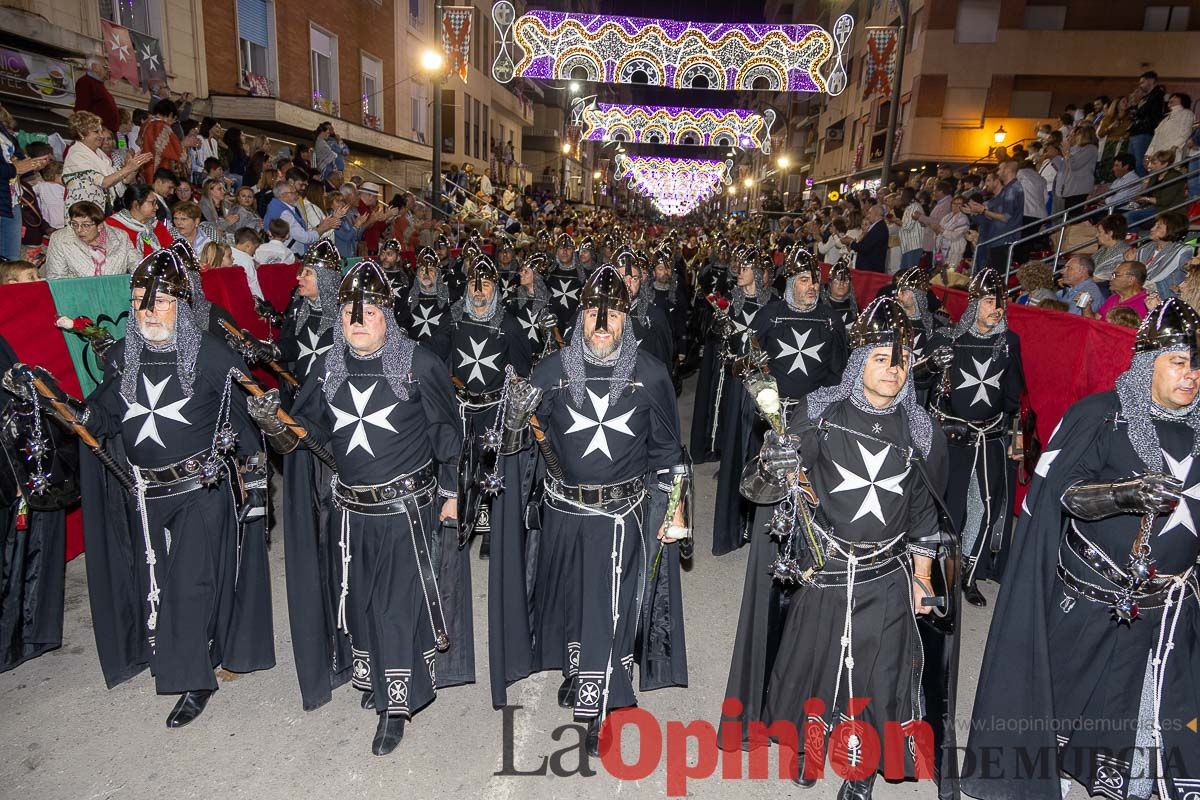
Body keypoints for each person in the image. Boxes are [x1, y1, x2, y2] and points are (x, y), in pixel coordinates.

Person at [966, 297, 1200, 800]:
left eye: (1198, 365)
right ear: (1146, 363)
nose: (1191, 375)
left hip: (1170, 604)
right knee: (1065, 701)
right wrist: (1123, 493)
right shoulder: (1101, 415)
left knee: (1142, 710)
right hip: (1091, 594)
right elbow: (1064, 492)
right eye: (1179, 362)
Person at [728, 296, 947, 797]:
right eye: (880, 358)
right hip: (825, 564)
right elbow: (757, 490)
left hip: (886, 572)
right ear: (857, 362)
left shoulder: (920, 430)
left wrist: (924, 577)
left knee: (875, 676)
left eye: (903, 360)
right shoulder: (821, 412)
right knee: (814, 662)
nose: (894, 370)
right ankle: (809, 748)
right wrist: (771, 464)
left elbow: (924, 512)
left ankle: (861, 772)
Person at [251, 259, 469, 755]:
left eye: (368, 311)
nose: (356, 320)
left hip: (405, 514)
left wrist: (453, 496)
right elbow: (306, 434)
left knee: (395, 609)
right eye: (349, 311)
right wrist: (274, 424)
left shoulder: (419, 363)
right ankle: (373, 679)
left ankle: (397, 705)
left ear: (386, 316)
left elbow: (448, 436)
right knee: (363, 604)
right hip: (349, 513)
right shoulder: (329, 364)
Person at [53, 249, 273, 726]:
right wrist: (79, 414)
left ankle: (193, 679)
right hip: (146, 491)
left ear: (183, 303)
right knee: (157, 581)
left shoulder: (213, 356)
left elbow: (248, 427)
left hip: (201, 487)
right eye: (139, 303)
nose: (148, 313)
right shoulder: (126, 353)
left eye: (159, 303)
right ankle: (180, 651)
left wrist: (254, 492)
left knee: (190, 583)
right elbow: (107, 409)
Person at [496, 264, 689, 756]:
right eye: (594, 316)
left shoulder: (649, 373)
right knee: (570, 600)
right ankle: (577, 670)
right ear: (581, 317)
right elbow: (518, 439)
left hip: (620, 516)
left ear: (626, 319)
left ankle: (595, 703)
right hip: (563, 512)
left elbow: (669, 452)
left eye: (614, 316)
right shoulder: (554, 369)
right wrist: (515, 413)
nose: (603, 325)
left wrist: (676, 512)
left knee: (608, 608)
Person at [927, 269, 1026, 606]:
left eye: (1000, 302)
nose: (995, 308)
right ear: (972, 304)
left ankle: (967, 576)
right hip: (953, 436)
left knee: (983, 507)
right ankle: (939, 571)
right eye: (987, 301)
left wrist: (1011, 434)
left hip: (990, 437)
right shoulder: (946, 339)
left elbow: (1014, 394)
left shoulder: (1009, 342)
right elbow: (927, 391)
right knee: (947, 506)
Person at [275, 240, 341, 385]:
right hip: (299, 385)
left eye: (308, 273)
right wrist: (272, 350)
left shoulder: (345, 312)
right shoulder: (299, 306)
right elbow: (292, 345)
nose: (299, 277)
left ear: (325, 279)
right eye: (301, 272)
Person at [64, 111, 151, 211]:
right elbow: (104, 182)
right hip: (83, 213)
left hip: (102, 210)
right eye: (96, 132)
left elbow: (124, 180)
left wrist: (135, 167)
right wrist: (127, 168)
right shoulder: (77, 155)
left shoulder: (100, 154)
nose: (101, 136)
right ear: (81, 134)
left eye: (101, 131)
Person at [44, 201, 140, 279]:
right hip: (77, 298)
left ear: (100, 226)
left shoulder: (121, 237)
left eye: (86, 225)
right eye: (74, 224)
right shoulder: (60, 239)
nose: (79, 230)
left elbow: (137, 267)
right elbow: (56, 278)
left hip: (113, 294)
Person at [968, 161, 1024, 272]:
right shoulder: (1008, 189)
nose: (998, 172)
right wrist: (975, 210)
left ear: (1007, 170)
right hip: (997, 238)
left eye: (1000, 169)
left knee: (997, 278)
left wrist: (982, 210)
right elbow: (992, 217)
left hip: (1004, 239)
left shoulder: (1012, 189)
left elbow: (1005, 217)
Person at [398, 246, 452, 345]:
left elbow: (448, 334)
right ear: (417, 273)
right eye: (422, 270)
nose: (426, 274)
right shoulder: (409, 296)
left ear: (437, 273)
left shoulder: (450, 297)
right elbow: (402, 325)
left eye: (430, 270)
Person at [105, 185, 173, 256]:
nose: (157, 207)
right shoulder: (112, 225)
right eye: (152, 203)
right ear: (136, 205)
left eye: (156, 203)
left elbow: (171, 251)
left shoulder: (155, 225)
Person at [1129, 70, 1167, 175]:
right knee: (1131, 162)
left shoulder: (1157, 95)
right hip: (1137, 131)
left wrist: (1139, 107)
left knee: (1139, 163)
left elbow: (1146, 113)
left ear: (1151, 81)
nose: (1140, 86)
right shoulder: (1147, 97)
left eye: (1142, 82)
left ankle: (1141, 187)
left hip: (1145, 132)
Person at [72, 55, 119, 134]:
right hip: (98, 132)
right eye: (105, 67)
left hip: (106, 132)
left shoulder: (98, 84)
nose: (108, 70)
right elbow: (81, 109)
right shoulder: (86, 82)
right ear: (94, 67)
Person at [844, 203, 888, 273]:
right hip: (867, 267)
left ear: (876, 214)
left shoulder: (879, 228)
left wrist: (851, 242)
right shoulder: (877, 226)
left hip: (871, 268)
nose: (868, 215)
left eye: (870, 213)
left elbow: (865, 247)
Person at [229, 227, 264, 300]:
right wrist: (261, 302)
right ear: (248, 245)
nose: (254, 252)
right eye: (255, 248)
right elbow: (253, 284)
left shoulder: (228, 252)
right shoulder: (247, 260)